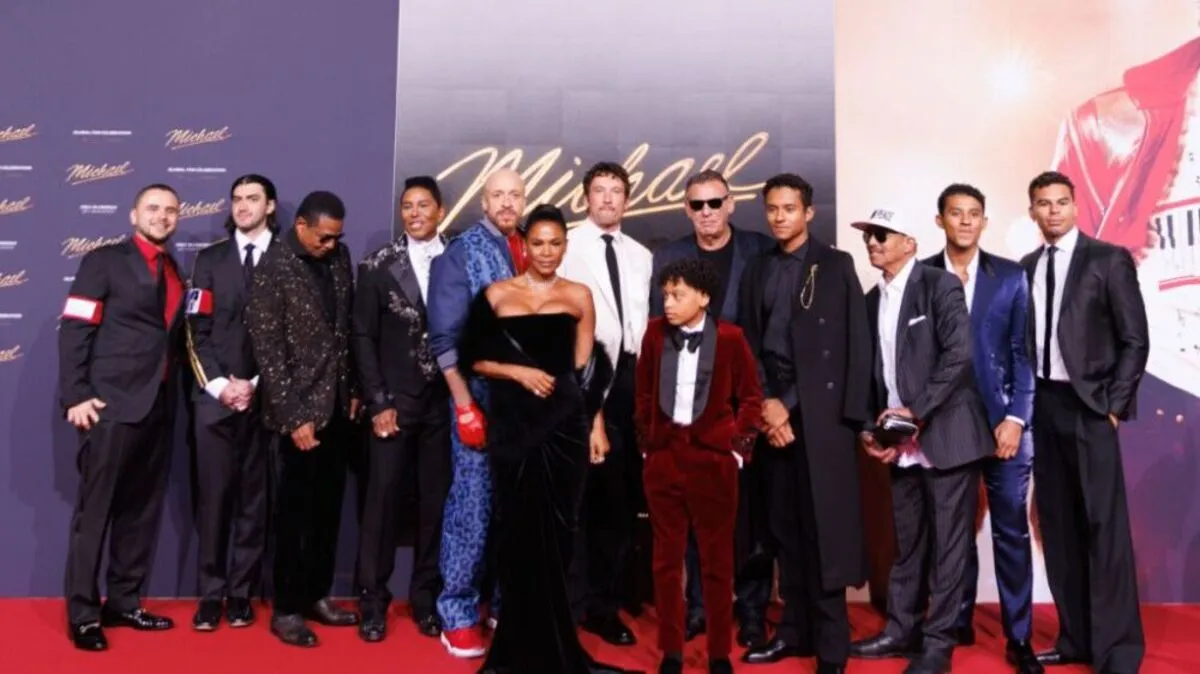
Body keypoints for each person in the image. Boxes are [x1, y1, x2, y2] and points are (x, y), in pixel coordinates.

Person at [456, 204, 637, 674]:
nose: (547, 252)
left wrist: (592, 422)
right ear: (524, 245)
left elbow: (586, 369)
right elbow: (472, 357)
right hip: (514, 428)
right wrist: (517, 371)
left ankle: (558, 644)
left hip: (563, 429)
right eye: (538, 243)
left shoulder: (578, 295)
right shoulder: (497, 294)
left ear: (565, 245)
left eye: (555, 243)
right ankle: (515, 648)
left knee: (559, 535)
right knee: (516, 533)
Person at [737, 174, 871, 674]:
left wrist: (790, 406)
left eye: (789, 208)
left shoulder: (836, 265)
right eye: (772, 209)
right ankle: (793, 632)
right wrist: (765, 406)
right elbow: (747, 343)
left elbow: (850, 347)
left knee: (824, 535)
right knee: (782, 531)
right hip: (772, 417)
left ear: (809, 213)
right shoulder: (757, 267)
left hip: (821, 419)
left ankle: (832, 648)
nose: (779, 217)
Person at [849, 208, 992, 674]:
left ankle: (937, 645)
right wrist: (871, 428)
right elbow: (872, 374)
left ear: (909, 242)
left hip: (948, 435)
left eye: (882, 234)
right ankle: (901, 630)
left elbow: (958, 355)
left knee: (949, 548)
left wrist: (915, 412)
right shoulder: (872, 299)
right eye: (869, 235)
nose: (872, 242)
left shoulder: (939, 285)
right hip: (901, 444)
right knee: (907, 544)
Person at [1020, 171, 1148, 674]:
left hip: (1090, 406)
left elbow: (1135, 339)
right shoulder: (1027, 267)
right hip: (1043, 405)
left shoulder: (1107, 259)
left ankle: (1117, 651)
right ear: (1032, 210)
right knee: (1058, 526)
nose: (1053, 210)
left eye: (1061, 202)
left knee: (1102, 529)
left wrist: (1112, 406)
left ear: (1075, 207)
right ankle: (1075, 639)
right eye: (1043, 203)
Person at [58, 183, 186, 651]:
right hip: (110, 405)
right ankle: (83, 615)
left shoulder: (174, 269)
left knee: (140, 513)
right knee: (95, 515)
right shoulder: (104, 261)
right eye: (152, 208)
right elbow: (75, 328)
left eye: (170, 210)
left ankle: (124, 602)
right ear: (133, 215)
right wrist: (76, 395)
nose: (162, 216)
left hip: (159, 407)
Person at [649, 169, 774, 645]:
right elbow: (660, 330)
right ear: (686, 209)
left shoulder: (760, 251)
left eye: (715, 203)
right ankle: (701, 606)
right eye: (697, 205)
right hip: (690, 408)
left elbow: (773, 328)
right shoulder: (669, 256)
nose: (707, 212)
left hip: (747, 402)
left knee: (751, 515)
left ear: (730, 203)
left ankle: (753, 609)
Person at [921, 183, 1042, 674]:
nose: (966, 221)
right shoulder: (922, 275)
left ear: (985, 222)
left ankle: (1020, 636)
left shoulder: (1011, 277)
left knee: (1010, 530)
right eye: (956, 213)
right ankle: (956, 619)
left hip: (1002, 425)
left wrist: (1015, 418)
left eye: (974, 213)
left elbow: (1023, 353)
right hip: (946, 424)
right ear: (941, 220)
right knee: (952, 532)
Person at [635, 257, 764, 674]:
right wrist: (648, 446)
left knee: (717, 562)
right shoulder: (655, 333)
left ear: (704, 297)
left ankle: (719, 653)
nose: (668, 303)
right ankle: (671, 651)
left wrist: (736, 449)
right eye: (665, 295)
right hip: (664, 459)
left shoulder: (730, 338)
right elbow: (642, 394)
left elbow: (751, 399)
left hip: (713, 462)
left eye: (678, 295)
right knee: (665, 561)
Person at [246, 190, 361, 647]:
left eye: (336, 238)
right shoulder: (272, 268)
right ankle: (288, 608)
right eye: (324, 238)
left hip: (338, 408)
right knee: (293, 517)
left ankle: (317, 595)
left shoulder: (340, 258)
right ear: (301, 226)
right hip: (297, 415)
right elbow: (268, 352)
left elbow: (345, 331)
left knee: (327, 513)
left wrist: (353, 390)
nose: (330, 245)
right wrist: (294, 416)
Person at [427, 168, 528, 658]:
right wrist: (465, 406)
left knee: (517, 507)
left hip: (527, 406)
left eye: (514, 195)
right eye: (497, 195)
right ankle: (458, 613)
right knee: (472, 506)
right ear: (483, 201)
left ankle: (504, 604)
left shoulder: (534, 247)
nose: (506, 203)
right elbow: (444, 340)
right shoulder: (461, 252)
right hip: (479, 400)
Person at [352, 176, 452, 642]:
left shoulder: (460, 260)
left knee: (435, 504)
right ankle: (373, 602)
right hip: (393, 404)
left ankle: (426, 598)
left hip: (445, 405)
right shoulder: (377, 265)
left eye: (423, 205)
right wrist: (378, 401)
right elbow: (362, 337)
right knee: (382, 504)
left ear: (440, 211)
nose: (414, 213)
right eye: (407, 206)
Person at [559, 161, 653, 646]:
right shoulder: (567, 246)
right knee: (579, 500)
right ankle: (569, 604)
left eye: (617, 191)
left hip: (631, 384)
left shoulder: (641, 254)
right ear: (586, 198)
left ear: (627, 200)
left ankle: (604, 605)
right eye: (600, 190)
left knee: (620, 502)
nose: (609, 198)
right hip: (584, 380)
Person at [185, 174, 279, 631]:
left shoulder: (287, 257)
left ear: (270, 206)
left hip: (267, 403)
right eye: (237, 199)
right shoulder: (208, 260)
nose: (243, 206)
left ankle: (241, 594)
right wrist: (221, 386)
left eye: (252, 198)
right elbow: (194, 330)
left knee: (253, 503)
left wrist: (257, 384)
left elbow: (295, 336)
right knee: (213, 501)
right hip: (214, 402)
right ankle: (210, 595)